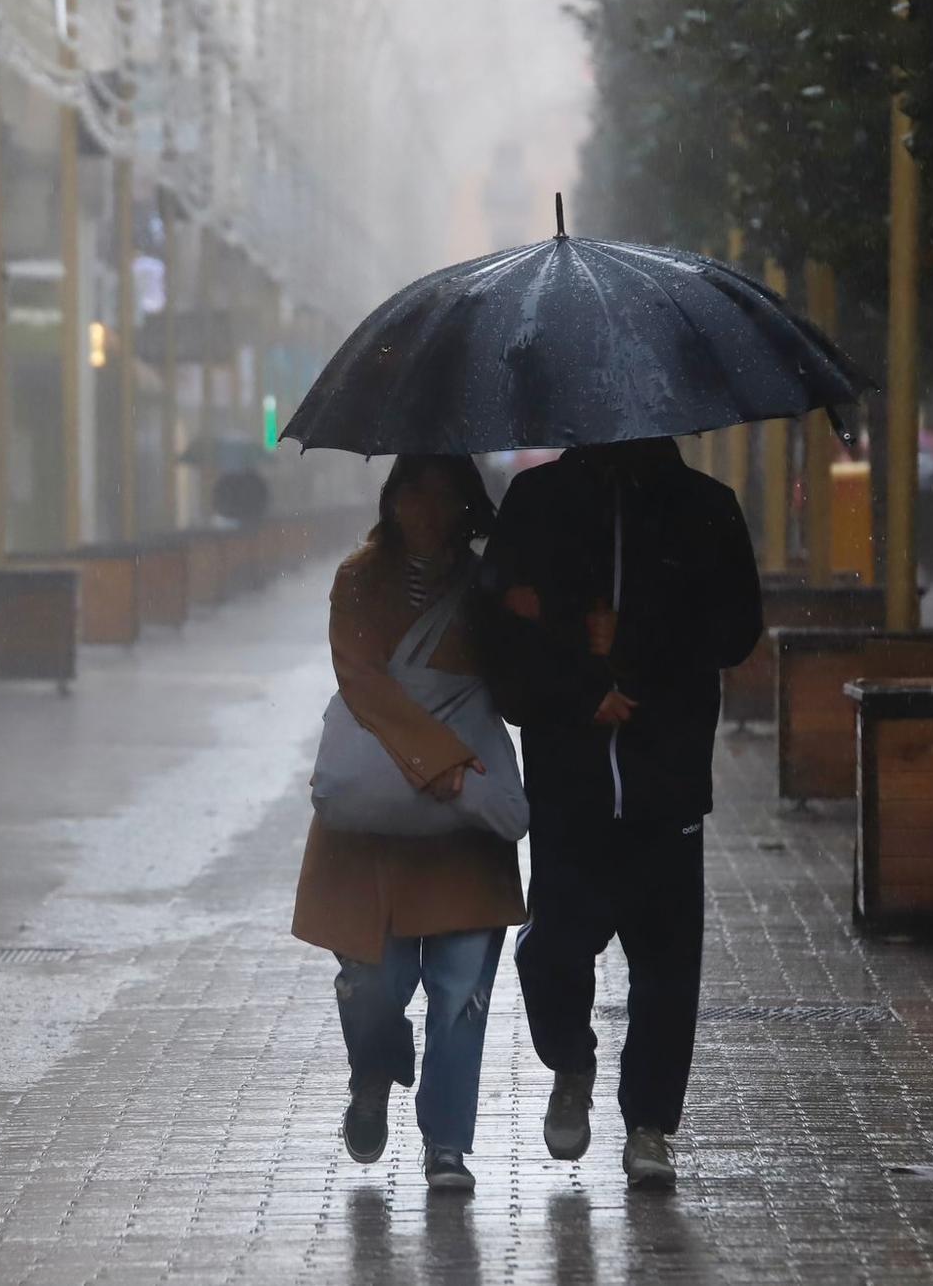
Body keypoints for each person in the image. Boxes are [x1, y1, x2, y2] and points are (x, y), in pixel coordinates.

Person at [481, 436, 761, 1189]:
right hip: (568, 777)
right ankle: (570, 1060)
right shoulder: (538, 504)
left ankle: (649, 1126)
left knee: (668, 969)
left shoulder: (704, 508)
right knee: (553, 948)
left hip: (665, 775)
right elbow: (499, 631)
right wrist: (579, 681)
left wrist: (633, 649)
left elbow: (735, 630)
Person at [291, 455, 525, 1193]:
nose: (426, 506)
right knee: (371, 987)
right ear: (391, 500)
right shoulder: (358, 579)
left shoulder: (492, 584)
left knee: (460, 996)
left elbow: (514, 686)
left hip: (460, 832)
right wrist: (437, 759)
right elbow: (359, 681)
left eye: (444, 491)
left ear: (467, 503)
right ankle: (373, 1076)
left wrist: (537, 626)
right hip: (374, 826)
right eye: (413, 489)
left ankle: (447, 1144)